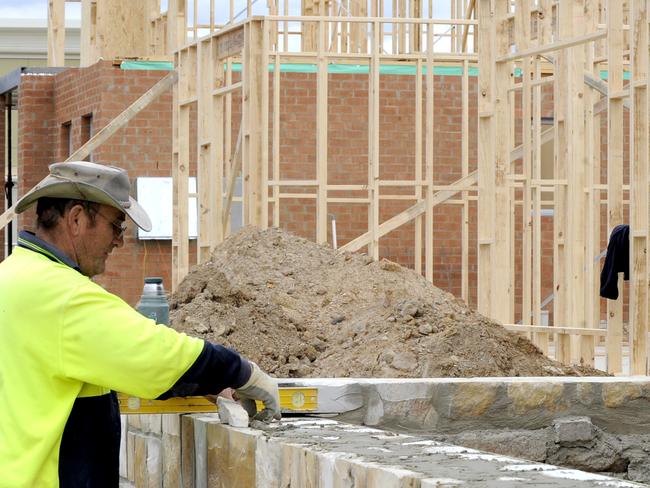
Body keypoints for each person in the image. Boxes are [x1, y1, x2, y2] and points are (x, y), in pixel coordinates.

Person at [0, 161, 281, 487]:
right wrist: (241, 371)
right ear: (76, 219)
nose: (119, 241)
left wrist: (202, 384)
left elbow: (111, 363)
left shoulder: (12, 277)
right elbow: (158, 354)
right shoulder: (63, 297)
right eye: (116, 225)